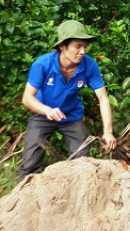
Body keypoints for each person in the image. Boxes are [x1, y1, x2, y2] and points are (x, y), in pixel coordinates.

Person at [20, 20, 117, 178]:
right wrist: (47, 110)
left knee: (82, 161)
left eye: (85, 46)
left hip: (71, 115)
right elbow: (27, 98)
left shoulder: (89, 65)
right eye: (77, 46)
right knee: (30, 163)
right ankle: (26, 197)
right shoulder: (43, 64)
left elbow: (103, 98)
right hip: (43, 113)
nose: (82, 51)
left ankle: (78, 196)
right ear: (62, 46)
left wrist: (108, 132)